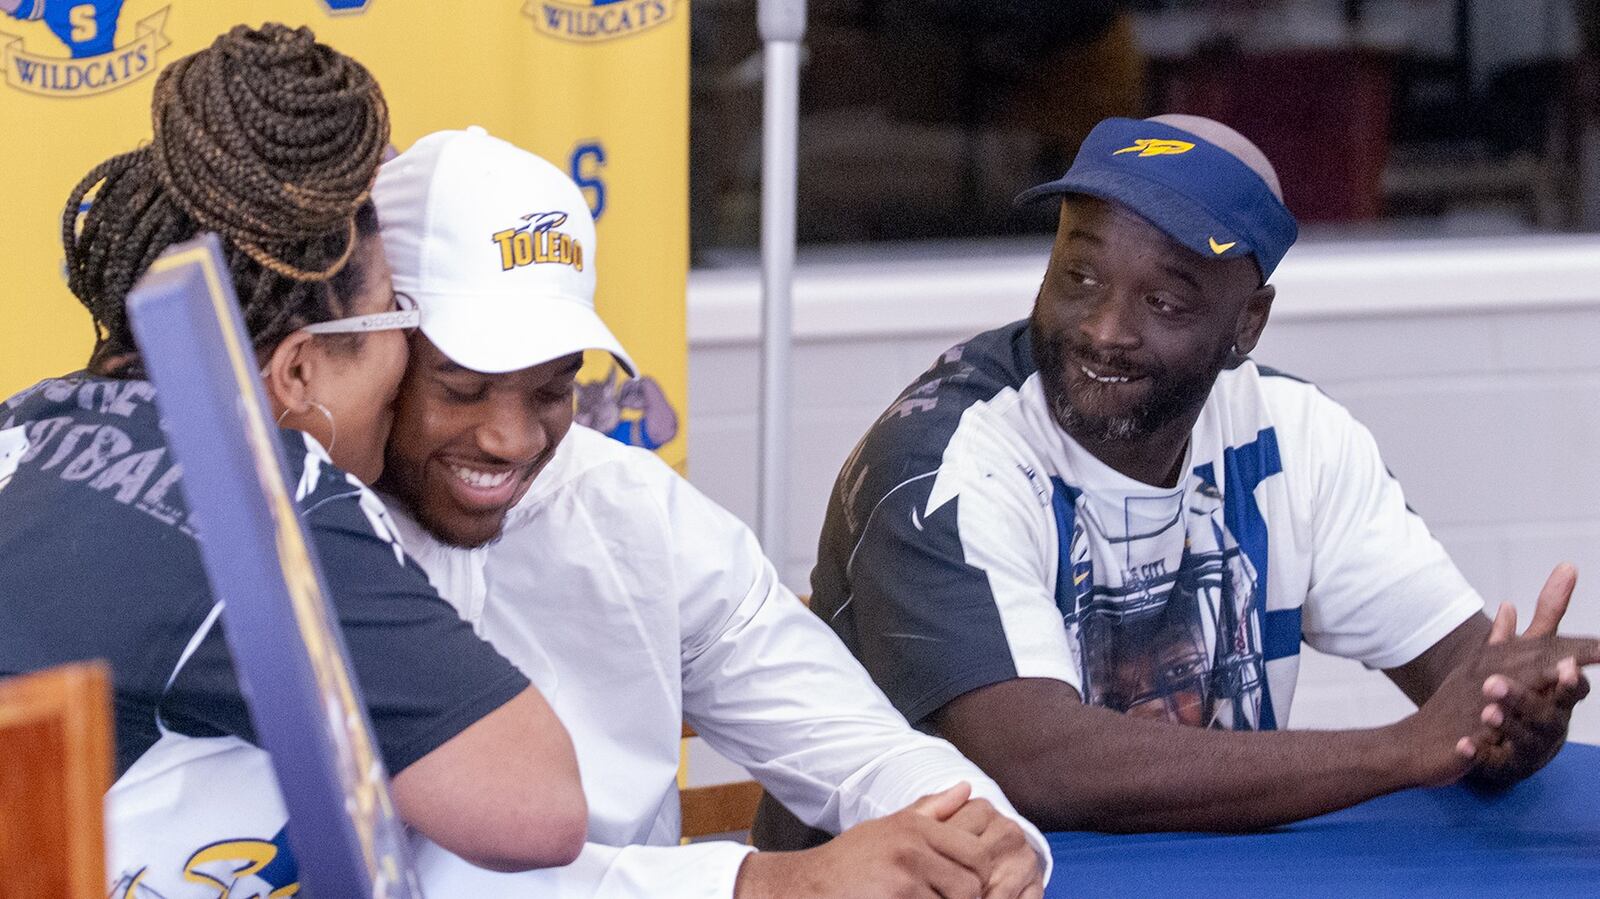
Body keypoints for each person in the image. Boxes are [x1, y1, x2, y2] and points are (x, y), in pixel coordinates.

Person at [757, 113, 1600, 839]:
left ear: (1249, 324)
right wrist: (1403, 747)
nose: (1105, 328)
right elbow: (1038, 763)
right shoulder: (942, 460)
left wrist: (1512, 723)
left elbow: (1465, 689)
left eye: (1166, 301)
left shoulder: (1297, 438)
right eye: (1079, 276)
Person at [370, 126, 1049, 898]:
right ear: (379, 349)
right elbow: (399, 868)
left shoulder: (626, 504)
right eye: (463, 387)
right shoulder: (306, 540)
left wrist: (978, 829)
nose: (513, 437)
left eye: (553, 388)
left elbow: (846, 732)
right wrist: (761, 884)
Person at [0, 26, 583, 898]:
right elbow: (537, 808)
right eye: (394, 315)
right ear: (301, 370)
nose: (406, 353)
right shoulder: (264, 497)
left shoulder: (29, 418)